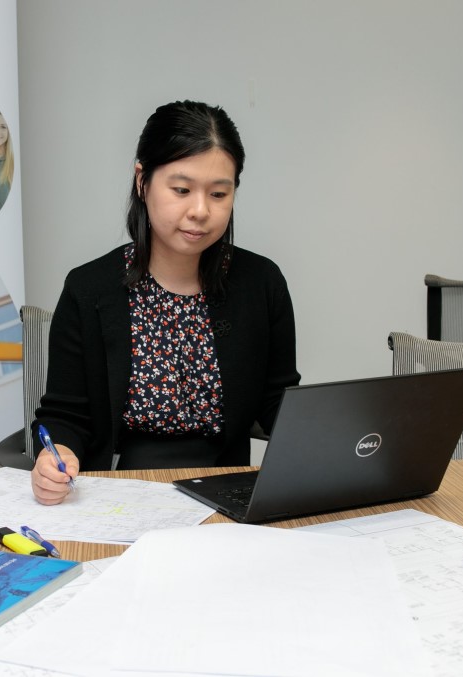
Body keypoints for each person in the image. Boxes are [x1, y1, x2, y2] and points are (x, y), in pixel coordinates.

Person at [30, 100, 301, 505]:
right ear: (142, 181)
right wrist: (58, 456)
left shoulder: (261, 283)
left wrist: (331, 443)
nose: (200, 211)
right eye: (181, 190)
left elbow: (280, 402)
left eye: (219, 194)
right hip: (118, 495)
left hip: (225, 494)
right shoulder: (89, 289)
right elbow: (65, 416)